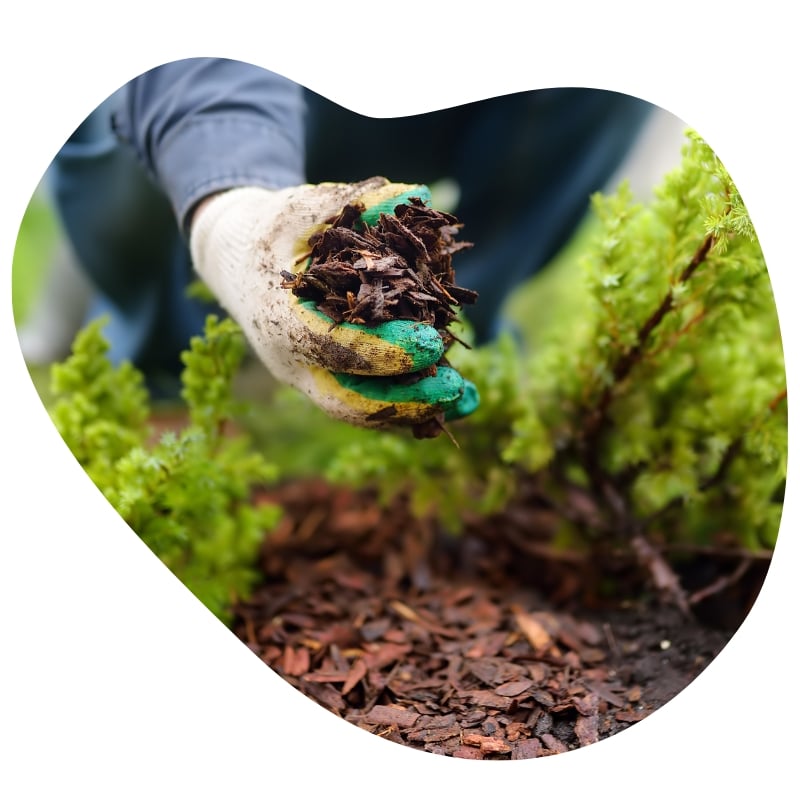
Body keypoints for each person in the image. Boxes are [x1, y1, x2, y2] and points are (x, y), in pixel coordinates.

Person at [20, 57, 655, 431]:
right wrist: (233, 217)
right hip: (195, 100)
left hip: (397, 116)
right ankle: (140, 329)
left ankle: (430, 355)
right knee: (147, 140)